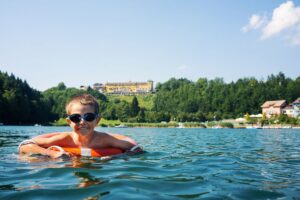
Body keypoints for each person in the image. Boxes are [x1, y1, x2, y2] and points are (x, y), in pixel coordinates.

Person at [19, 94, 142, 158]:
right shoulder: (65, 138)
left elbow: (135, 149)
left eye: (88, 117)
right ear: (69, 122)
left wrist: (118, 157)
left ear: (97, 120)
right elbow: (24, 145)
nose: (82, 122)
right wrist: (51, 154)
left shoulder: (104, 140)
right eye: (76, 118)